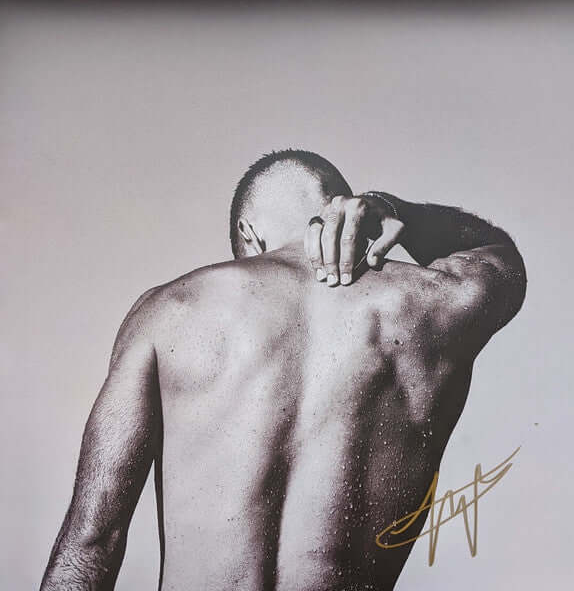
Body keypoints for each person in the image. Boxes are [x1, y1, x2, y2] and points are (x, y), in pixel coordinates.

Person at [40, 149, 526, 591]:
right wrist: (395, 208)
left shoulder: (169, 311)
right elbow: (502, 259)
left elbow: (92, 540)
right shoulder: (433, 305)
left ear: (248, 235)